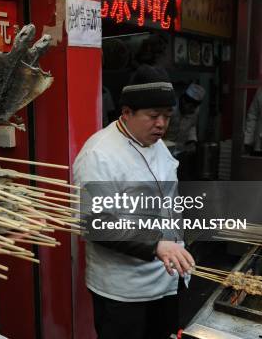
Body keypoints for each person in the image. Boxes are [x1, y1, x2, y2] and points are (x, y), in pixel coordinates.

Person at [73, 65, 194, 339]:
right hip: (124, 291)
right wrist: (155, 244)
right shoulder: (98, 155)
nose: (161, 124)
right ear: (126, 113)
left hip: (166, 279)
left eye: (167, 116)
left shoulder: (156, 143)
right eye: (153, 116)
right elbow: (93, 223)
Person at [164, 82, 205, 179]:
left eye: (195, 108)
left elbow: (192, 126)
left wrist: (192, 140)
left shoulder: (195, 110)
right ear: (185, 102)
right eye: (191, 107)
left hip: (180, 151)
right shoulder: (170, 108)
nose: (192, 111)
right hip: (164, 149)